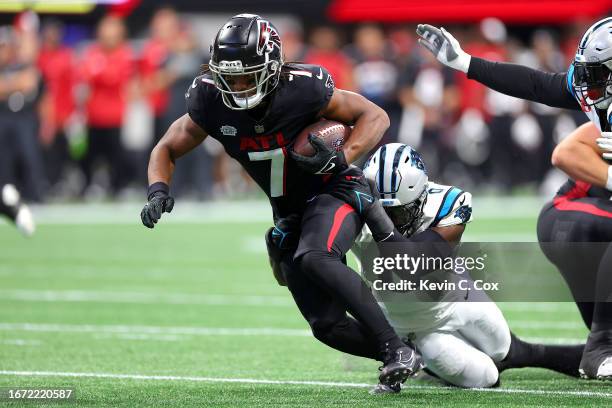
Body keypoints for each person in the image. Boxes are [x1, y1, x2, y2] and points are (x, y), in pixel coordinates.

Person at [140, 14, 418, 388]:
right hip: (289, 211)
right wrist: (158, 189)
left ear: (271, 66)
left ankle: (394, 348)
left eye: (247, 74)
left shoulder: (302, 89)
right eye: (229, 76)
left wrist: (343, 156)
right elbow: (167, 147)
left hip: (335, 189)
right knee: (326, 325)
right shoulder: (209, 97)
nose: (237, 85)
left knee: (315, 257)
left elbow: (375, 116)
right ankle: (409, 352)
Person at [416, 18, 612, 379]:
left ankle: (518, 354)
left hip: (586, 222)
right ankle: (601, 346)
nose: (588, 85)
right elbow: (537, 84)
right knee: (606, 344)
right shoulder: (593, 94)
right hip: (577, 216)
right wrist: (465, 63)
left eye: (598, 75)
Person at [352, 143, 585, 392]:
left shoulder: (448, 202)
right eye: (384, 211)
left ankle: (589, 354)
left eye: (399, 211)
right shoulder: (354, 213)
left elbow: (414, 264)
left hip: (459, 298)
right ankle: (415, 353)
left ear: (421, 193)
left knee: (503, 349)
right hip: (415, 327)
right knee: (487, 378)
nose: (392, 219)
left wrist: (375, 216)